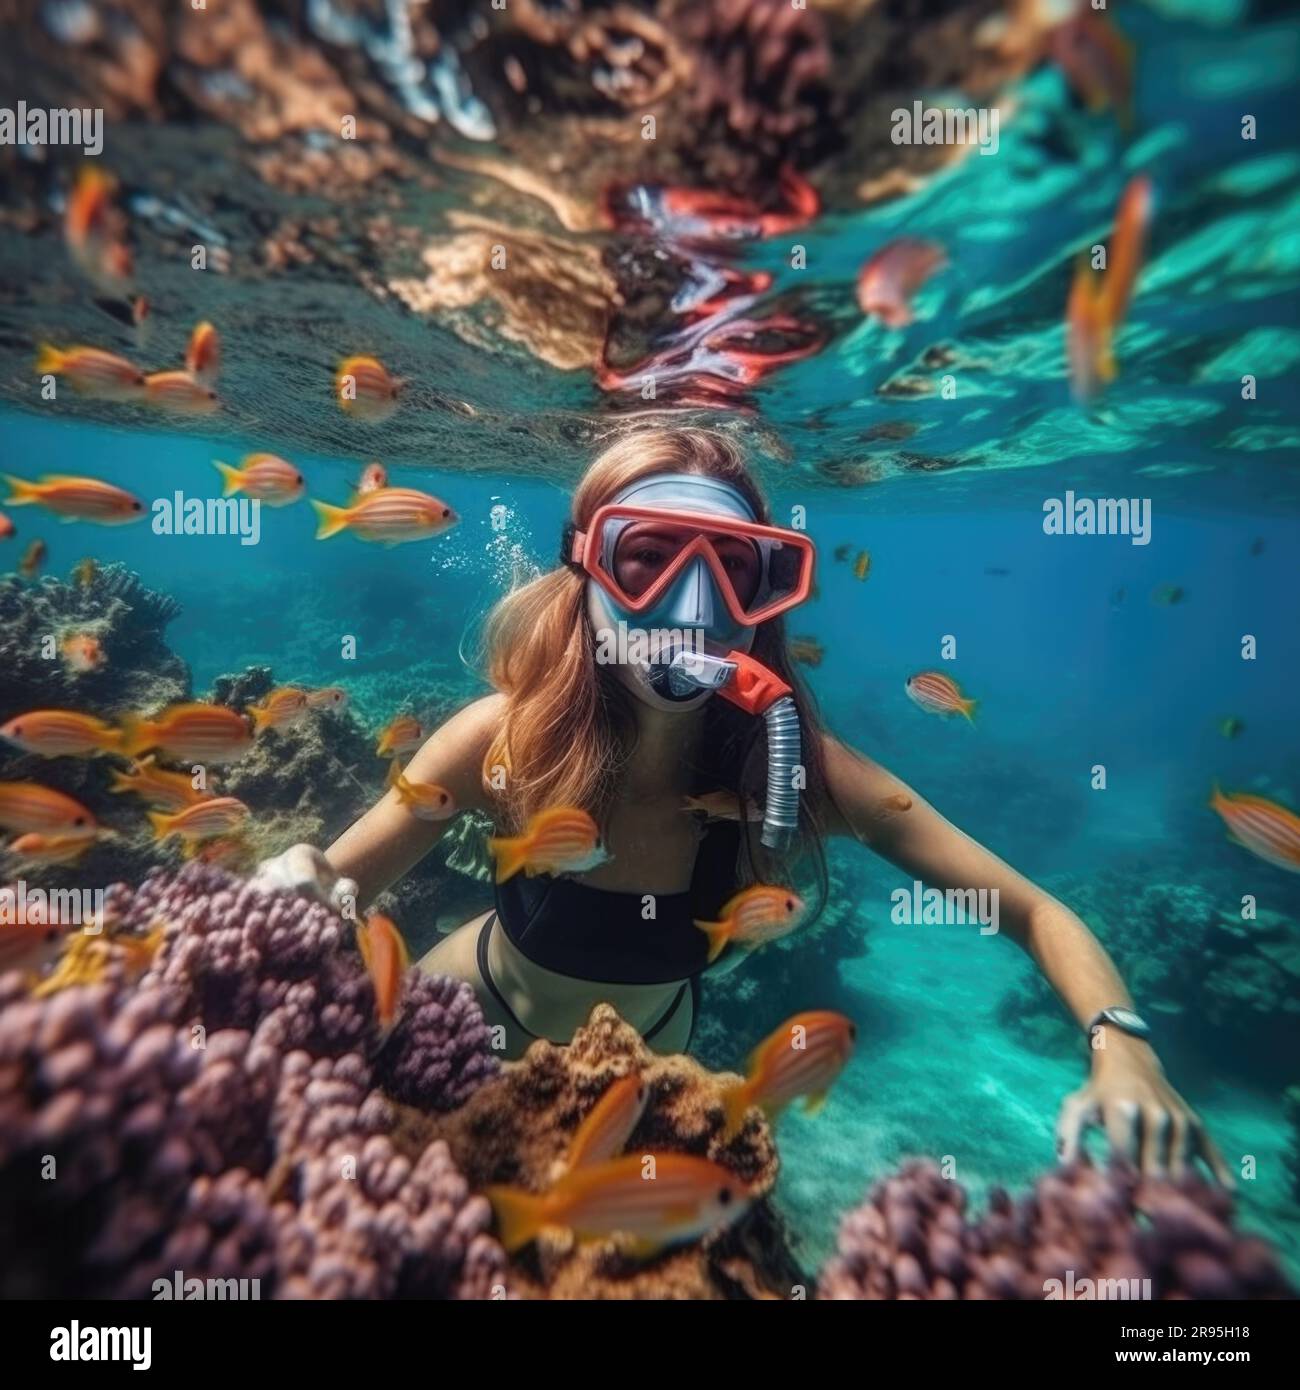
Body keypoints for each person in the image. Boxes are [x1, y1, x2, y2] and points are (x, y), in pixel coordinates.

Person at [323, 427, 1229, 1183]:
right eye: (644, 559)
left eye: (735, 572)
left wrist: (1124, 1048)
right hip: (456, 1018)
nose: (693, 606)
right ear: (587, 574)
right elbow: (329, 886)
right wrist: (293, 881)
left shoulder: (798, 773)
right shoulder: (501, 740)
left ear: (766, 598)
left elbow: (1032, 909)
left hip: (640, 1070)